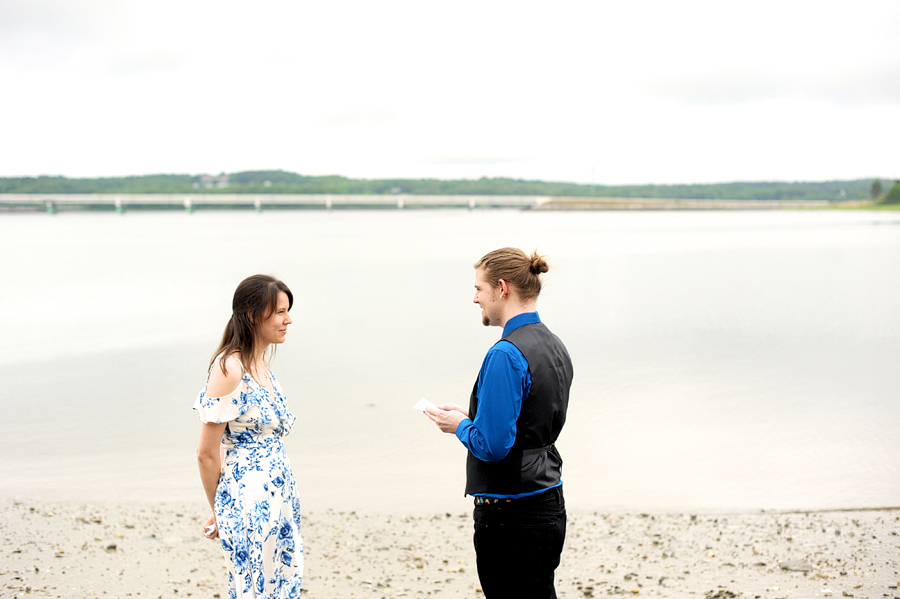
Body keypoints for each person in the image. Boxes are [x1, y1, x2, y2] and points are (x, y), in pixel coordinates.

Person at [425, 247, 574, 599]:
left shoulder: (505, 353)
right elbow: (530, 422)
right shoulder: (554, 344)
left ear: (502, 288)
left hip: (511, 515)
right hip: (548, 501)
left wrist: (459, 426)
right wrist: (473, 417)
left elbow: (493, 447)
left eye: (479, 288)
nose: (474, 298)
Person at [194, 274, 303, 598]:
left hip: (279, 495)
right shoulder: (230, 367)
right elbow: (206, 453)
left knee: (283, 585)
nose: (288, 320)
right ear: (254, 315)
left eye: (287, 310)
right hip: (247, 499)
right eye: (280, 312)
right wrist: (219, 508)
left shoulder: (261, 364)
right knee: (255, 589)